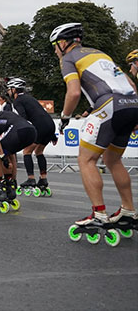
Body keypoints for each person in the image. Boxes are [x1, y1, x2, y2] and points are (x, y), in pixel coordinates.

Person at [52, 22, 138, 246]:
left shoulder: (68, 59)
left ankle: (99, 213)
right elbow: (129, 83)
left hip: (109, 104)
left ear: (63, 43)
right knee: (112, 159)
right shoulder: (101, 53)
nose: (54, 50)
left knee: (86, 159)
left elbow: (72, 93)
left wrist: (64, 117)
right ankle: (128, 210)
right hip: (131, 103)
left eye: (55, 45)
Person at [4, 77, 58, 196]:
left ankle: (31, 178)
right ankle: (43, 178)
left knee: (27, 152)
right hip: (49, 125)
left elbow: (23, 117)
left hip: (40, 126)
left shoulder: (18, 101)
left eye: (9, 89)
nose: (8, 92)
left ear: (14, 90)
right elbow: (39, 114)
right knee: (39, 152)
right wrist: (52, 134)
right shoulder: (30, 98)